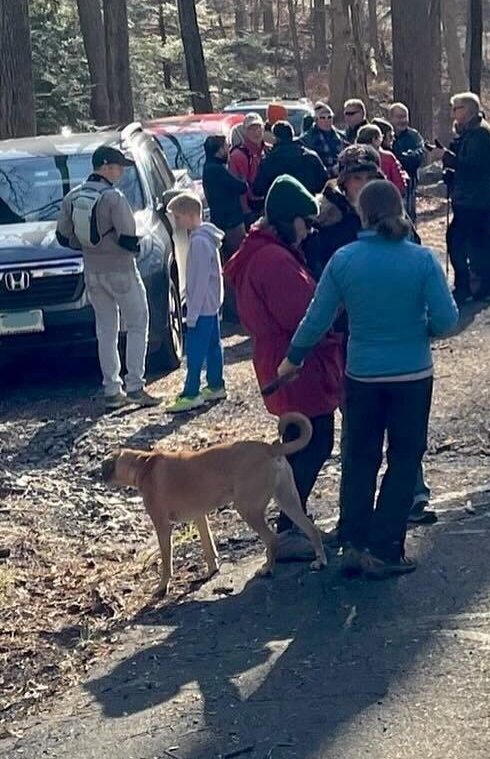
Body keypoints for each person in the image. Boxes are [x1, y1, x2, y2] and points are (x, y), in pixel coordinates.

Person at [279, 180, 458, 579]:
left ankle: (353, 542)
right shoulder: (423, 259)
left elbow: (317, 318)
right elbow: (447, 322)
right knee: (404, 458)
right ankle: (385, 548)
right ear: (400, 211)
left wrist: (292, 358)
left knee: (360, 457)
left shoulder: (344, 259)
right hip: (412, 375)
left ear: (361, 214)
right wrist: (420, 330)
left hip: (361, 375)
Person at [224, 175, 345, 561]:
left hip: (281, 360)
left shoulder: (259, 251)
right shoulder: (274, 260)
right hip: (295, 364)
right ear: (286, 218)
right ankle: (289, 529)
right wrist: (337, 324)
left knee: (302, 443)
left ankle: (294, 524)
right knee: (311, 443)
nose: (308, 231)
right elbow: (304, 315)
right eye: (304, 223)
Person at [56, 145, 159, 410]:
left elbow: (62, 236)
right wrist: (137, 246)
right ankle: (135, 385)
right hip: (121, 271)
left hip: (92, 272)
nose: (121, 172)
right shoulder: (113, 197)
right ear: (104, 166)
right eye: (117, 167)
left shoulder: (73, 197)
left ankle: (112, 389)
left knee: (105, 330)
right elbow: (127, 237)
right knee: (137, 324)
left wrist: (89, 248)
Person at [164, 193, 226, 414]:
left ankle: (191, 392)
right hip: (210, 305)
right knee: (212, 346)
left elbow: (199, 281)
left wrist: (191, 313)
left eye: (178, 217)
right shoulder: (207, 238)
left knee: (195, 350)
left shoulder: (198, 242)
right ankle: (216, 384)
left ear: (190, 216)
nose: (177, 222)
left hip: (201, 307)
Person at [441, 92, 490, 303]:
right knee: (472, 240)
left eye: (456, 109)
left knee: (472, 241)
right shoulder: (471, 132)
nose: (453, 114)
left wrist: (449, 159)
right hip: (471, 197)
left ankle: (475, 285)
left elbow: (473, 166)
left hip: (476, 199)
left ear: (467, 110)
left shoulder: (480, 134)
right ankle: (478, 284)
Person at [305, 144, 384, 277]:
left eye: (370, 178)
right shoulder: (325, 220)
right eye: (357, 178)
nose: (364, 184)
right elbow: (316, 265)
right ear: (344, 181)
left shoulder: (390, 213)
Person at [201, 135, 250, 256]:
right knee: (239, 257)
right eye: (226, 146)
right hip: (231, 223)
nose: (228, 149)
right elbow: (240, 187)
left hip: (222, 220)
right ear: (219, 150)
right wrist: (243, 181)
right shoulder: (216, 170)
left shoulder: (210, 167)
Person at [254, 120, 329, 198]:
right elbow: (324, 183)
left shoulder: (268, 161)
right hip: (308, 205)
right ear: (292, 135)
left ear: (275, 138)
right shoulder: (311, 156)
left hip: (279, 207)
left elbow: (258, 190)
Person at [387, 102, 427, 221]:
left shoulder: (414, 136)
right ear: (391, 118)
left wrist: (402, 158)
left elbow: (420, 154)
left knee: (408, 217)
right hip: (388, 185)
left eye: (405, 117)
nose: (403, 120)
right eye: (399, 117)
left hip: (409, 184)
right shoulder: (384, 135)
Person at [228, 114, 269, 217]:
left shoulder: (269, 151)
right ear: (245, 132)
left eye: (258, 128)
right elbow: (238, 186)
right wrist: (246, 210)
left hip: (269, 203)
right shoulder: (238, 155)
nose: (256, 132)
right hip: (251, 207)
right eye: (251, 129)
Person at [355, 123, 408, 196]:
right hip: (386, 200)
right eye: (381, 137)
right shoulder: (388, 157)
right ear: (375, 139)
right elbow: (399, 185)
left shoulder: (354, 157)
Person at [305, 101, 348, 172]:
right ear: (316, 119)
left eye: (329, 117)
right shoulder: (308, 139)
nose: (326, 120)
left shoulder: (341, 137)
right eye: (322, 117)